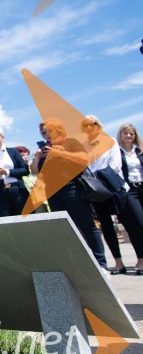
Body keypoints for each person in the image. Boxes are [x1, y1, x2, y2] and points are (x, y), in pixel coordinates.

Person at [30, 118, 106, 269]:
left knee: (86, 225)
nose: (47, 134)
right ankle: (78, 264)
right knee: (67, 229)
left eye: (49, 130)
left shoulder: (70, 142)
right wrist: (38, 157)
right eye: (43, 132)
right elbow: (35, 172)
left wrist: (60, 153)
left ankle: (100, 263)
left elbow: (84, 160)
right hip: (53, 192)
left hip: (73, 188)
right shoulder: (45, 149)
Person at [82, 115, 136, 274]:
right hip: (98, 193)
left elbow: (115, 165)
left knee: (130, 225)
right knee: (107, 228)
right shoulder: (84, 146)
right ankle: (118, 263)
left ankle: (140, 260)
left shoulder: (110, 141)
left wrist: (96, 179)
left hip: (114, 189)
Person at [117, 123, 143, 274]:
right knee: (138, 225)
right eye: (125, 133)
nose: (128, 136)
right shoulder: (118, 153)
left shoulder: (140, 151)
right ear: (120, 135)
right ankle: (141, 260)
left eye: (131, 133)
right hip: (130, 191)